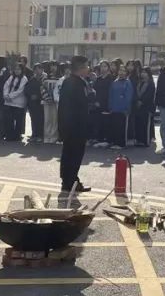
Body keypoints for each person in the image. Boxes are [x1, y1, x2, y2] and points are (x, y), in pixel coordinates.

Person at [58, 55, 93, 202]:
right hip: (74, 126)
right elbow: (77, 104)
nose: (88, 69)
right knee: (73, 155)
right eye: (87, 66)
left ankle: (71, 181)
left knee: (71, 154)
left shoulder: (75, 81)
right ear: (81, 68)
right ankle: (69, 182)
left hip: (73, 125)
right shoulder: (74, 83)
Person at [106, 65, 134, 149]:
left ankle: (121, 144)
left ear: (126, 72)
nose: (121, 72)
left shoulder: (127, 82)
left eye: (123, 71)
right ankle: (115, 142)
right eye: (120, 70)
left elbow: (128, 97)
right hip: (114, 108)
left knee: (122, 127)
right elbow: (110, 95)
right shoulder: (114, 82)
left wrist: (127, 108)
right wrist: (110, 106)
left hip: (123, 109)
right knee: (115, 126)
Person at [2, 63, 28, 141]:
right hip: (8, 102)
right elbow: (6, 86)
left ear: (22, 70)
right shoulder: (11, 77)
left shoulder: (24, 79)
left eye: (19, 69)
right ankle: (9, 136)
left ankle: (17, 136)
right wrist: (6, 95)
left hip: (19, 103)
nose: (17, 71)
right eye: (16, 69)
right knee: (9, 120)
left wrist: (10, 96)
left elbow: (20, 90)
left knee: (18, 121)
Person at [91, 62, 114, 148]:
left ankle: (107, 140)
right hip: (98, 104)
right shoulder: (98, 79)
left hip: (107, 103)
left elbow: (111, 92)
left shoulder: (111, 79)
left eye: (105, 66)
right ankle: (99, 138)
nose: (103, 68)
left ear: (108, 68)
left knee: (106, 122)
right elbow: (94, 91)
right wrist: (95, 101)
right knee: (98, 121)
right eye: (101, 66)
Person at [133, 67, 156, 147]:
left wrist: (142, 101)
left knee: (145, 124)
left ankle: (146, 141)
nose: (143, 74)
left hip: (147, 107)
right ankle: (138, 140)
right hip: (138, 107)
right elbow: (135, 93)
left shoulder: (151, 84)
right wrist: (137, 100)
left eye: (145, 72)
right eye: (142, 72)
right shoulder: (139, 83)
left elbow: (149, 95)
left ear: (148, 74)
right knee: (138, 123)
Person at [25, 64, 45, 143]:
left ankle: (40, 135)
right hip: (32, 103)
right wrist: (31, 95)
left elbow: (46, 90)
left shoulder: (44, 79)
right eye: (36, 69)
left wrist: (38, 96)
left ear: (42, 70)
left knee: (41, 120)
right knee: (33, 119)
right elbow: (26, 89)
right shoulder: (31, 79)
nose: (37, 71)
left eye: (39, 69)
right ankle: (34, 135)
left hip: (41, 103)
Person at [42, 64, 61, 145]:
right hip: (47, 101)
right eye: (51, 66)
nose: (53, 67)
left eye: (55, 66)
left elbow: (60, 90)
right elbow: (42, 88)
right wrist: (47, 98)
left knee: (55, 119)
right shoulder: (45, 77)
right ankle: (47, 136)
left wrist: (55, 98)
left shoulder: (60, 78)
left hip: (56, 102)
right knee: (47, 119)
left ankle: (54, 137)